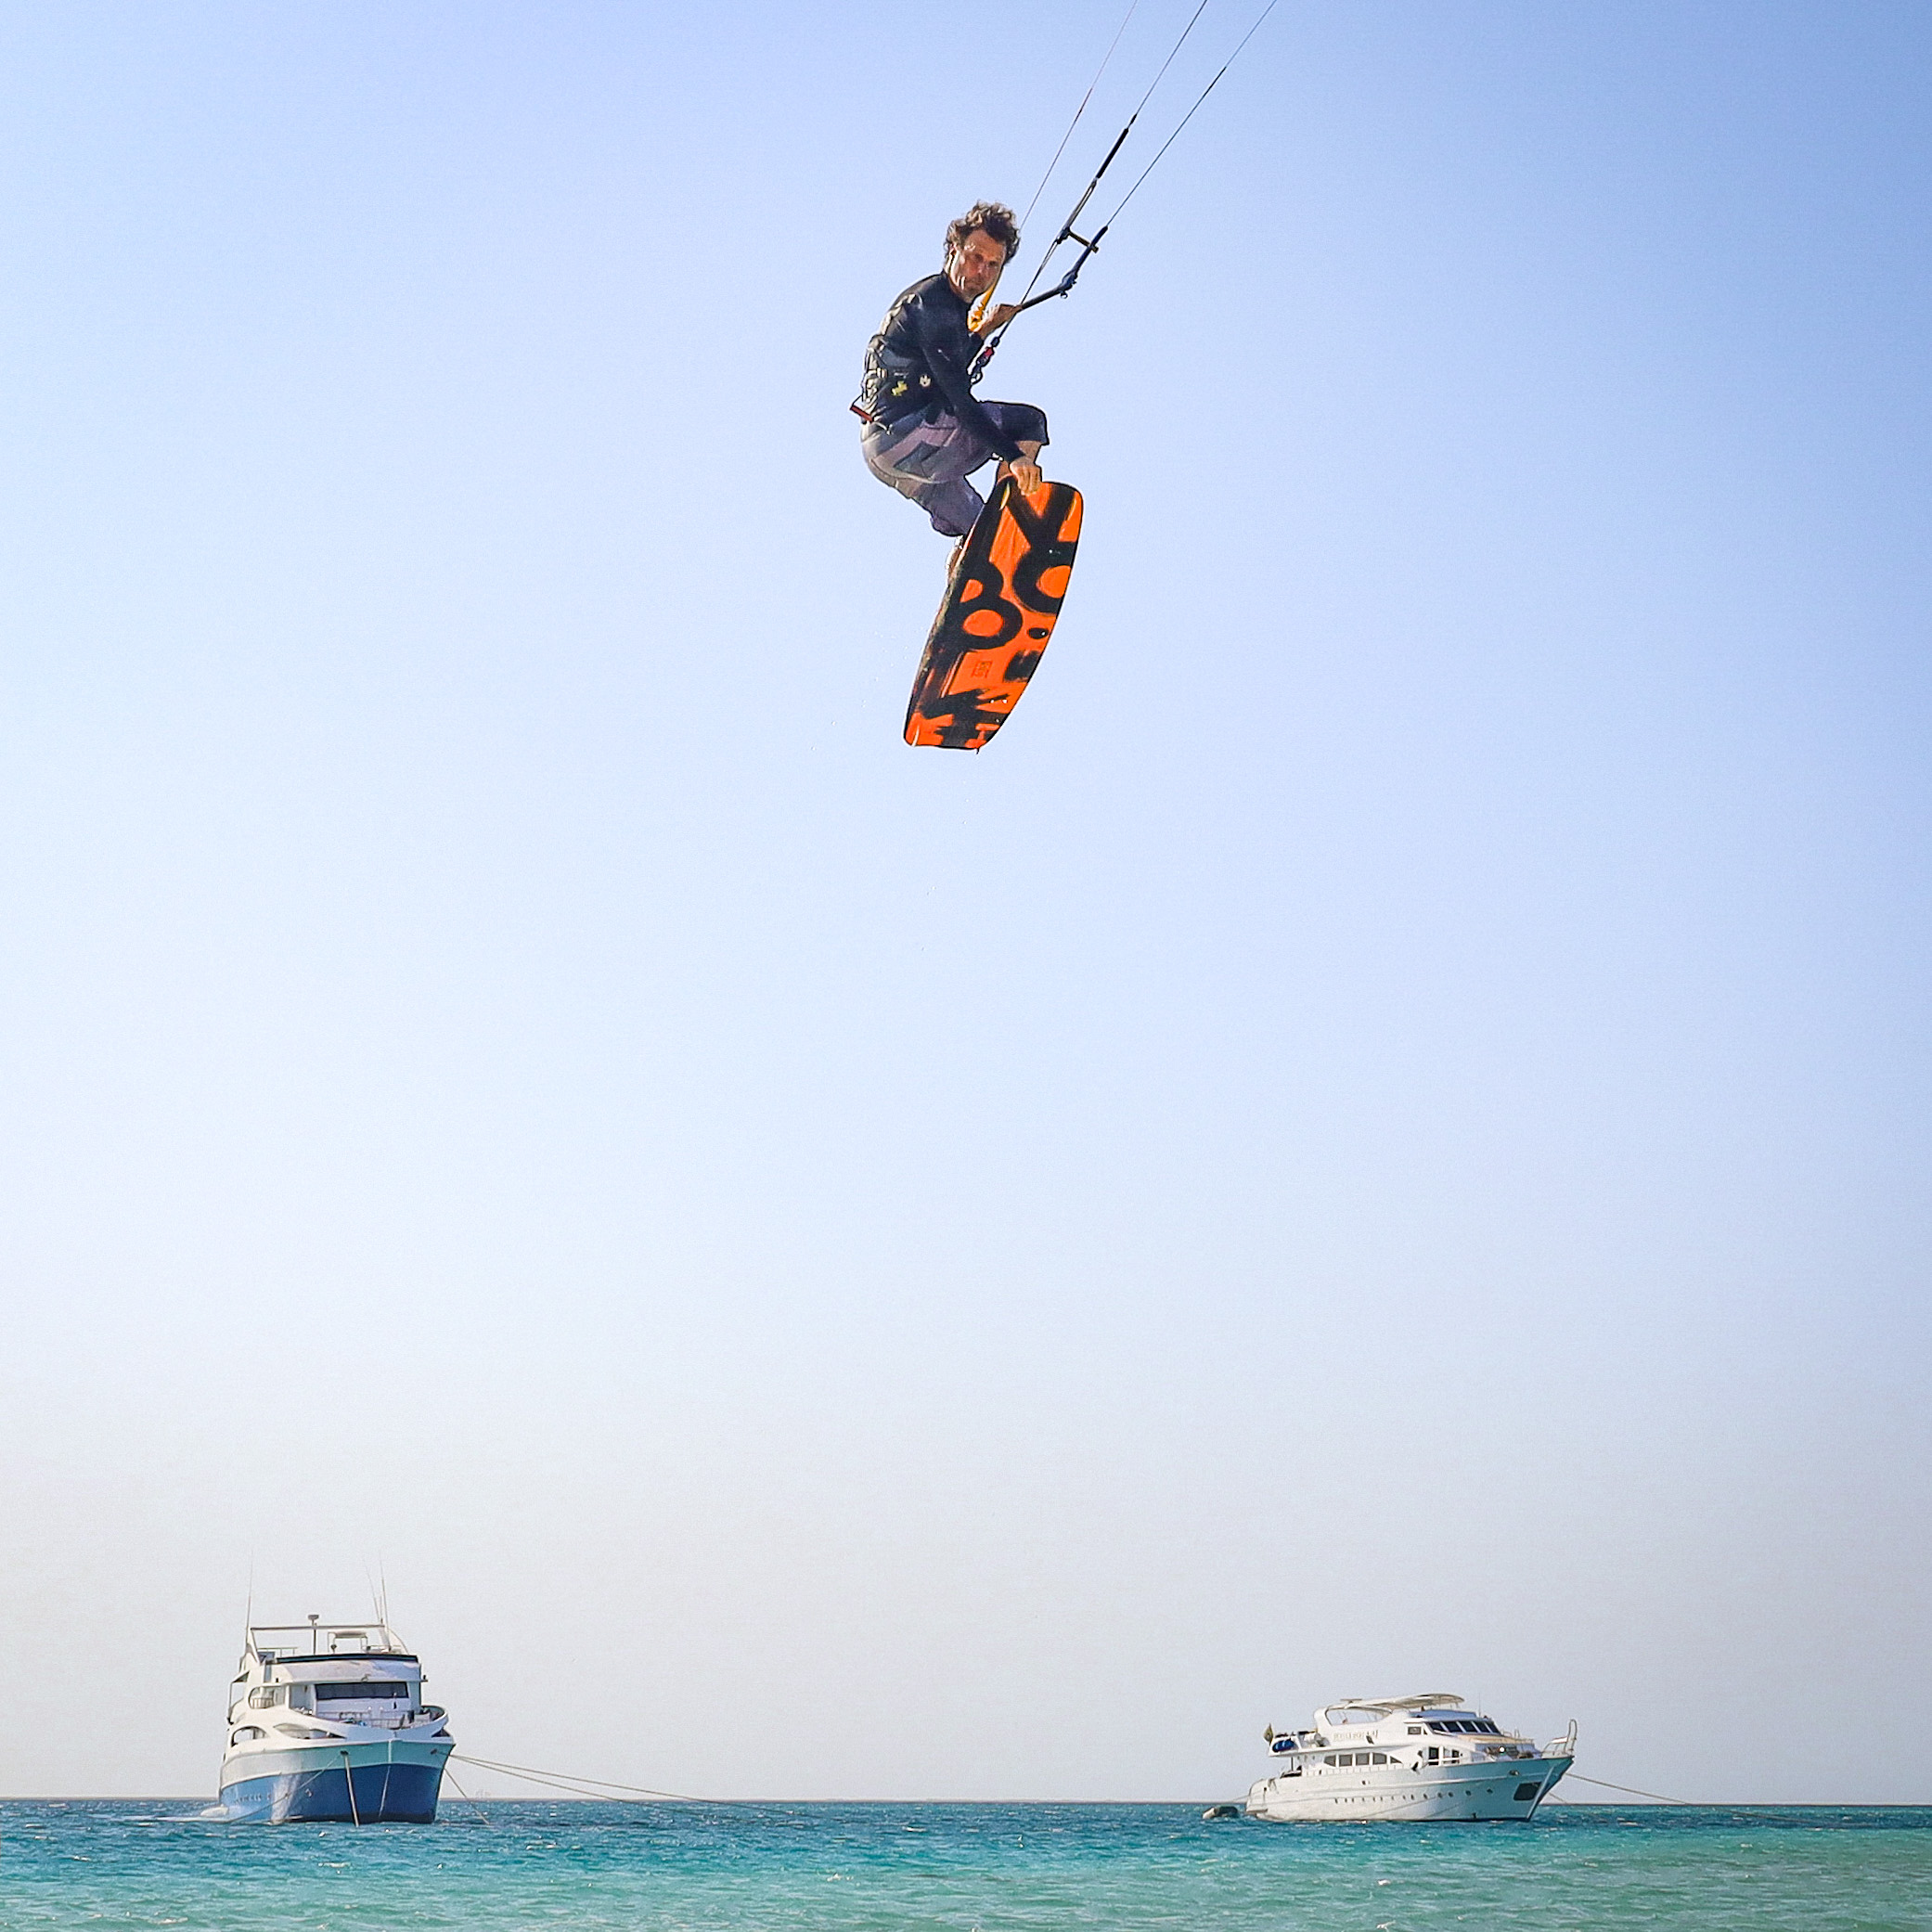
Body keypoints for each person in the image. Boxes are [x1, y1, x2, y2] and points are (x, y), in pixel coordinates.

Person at [855, 201, 1049, 553]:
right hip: (910, 436)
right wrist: (1014, 456)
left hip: (882, 452)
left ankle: (965, 568)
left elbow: (944, 370)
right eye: (975, 257)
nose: (981, 272)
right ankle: (1012, 515)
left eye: (993, 265)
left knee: (982, 538)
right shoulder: (937, 306)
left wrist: (984, 329)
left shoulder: (935, 304)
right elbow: (959, 400)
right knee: (1027, 422)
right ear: (953, 249)